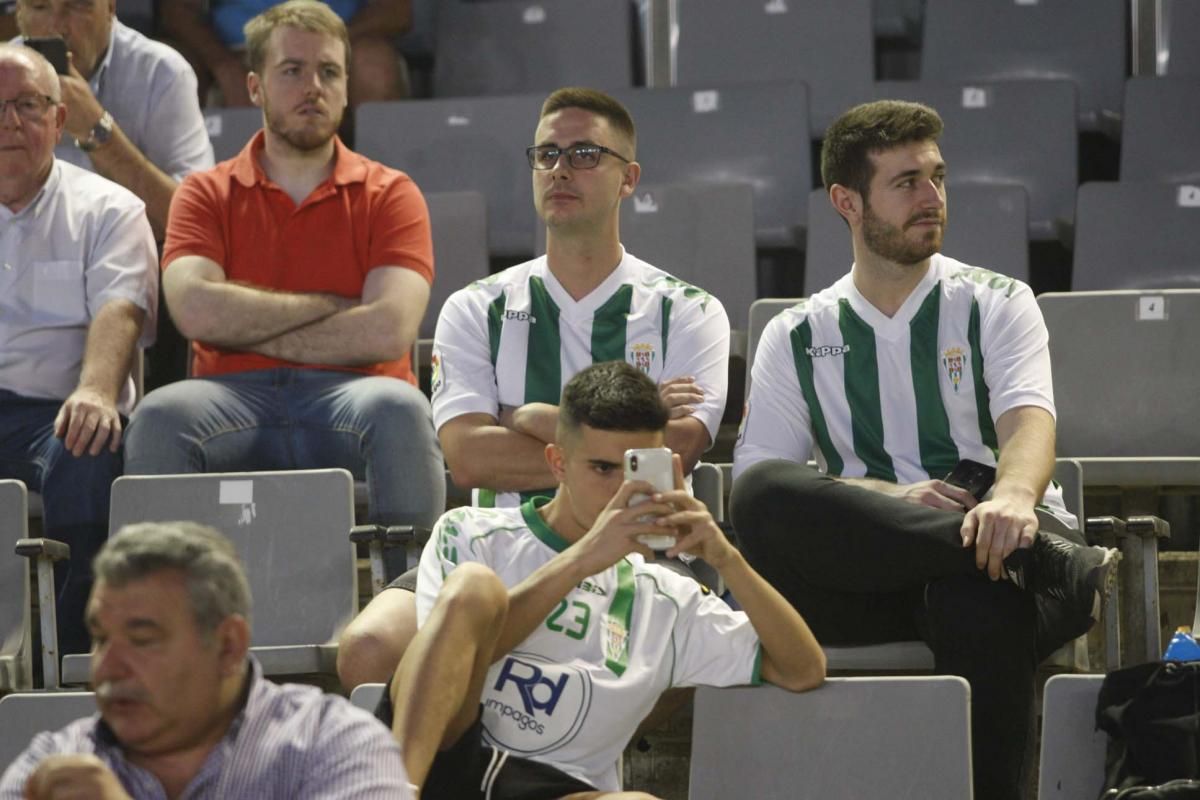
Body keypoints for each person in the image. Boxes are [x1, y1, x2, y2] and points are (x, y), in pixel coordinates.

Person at [730, 99, 1117, 800]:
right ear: (847, 201)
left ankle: (1016, 552)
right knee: (755, 493)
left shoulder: (997, 301)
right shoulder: (795, 332)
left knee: (981, 596)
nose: (932, 198)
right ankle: (1045, 563)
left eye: (938, 178)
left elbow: (1029, 425)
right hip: (873, 570)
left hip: (999, 550)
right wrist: (888, 495)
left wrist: (1011, 498)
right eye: (906, 182)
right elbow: (768, 482)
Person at [335, 86, 730, 690]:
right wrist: (611, 451)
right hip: (492, 550)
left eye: (584, 154)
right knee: (366, 648)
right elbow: (468, 457)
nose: (560, 169)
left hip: (636, 552)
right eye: (546, 155)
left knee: (660, 658)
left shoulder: (691, 310)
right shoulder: (474, 307)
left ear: (629, 179)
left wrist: (528, 415)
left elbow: (671, 455)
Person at [376, 361, 824, 798]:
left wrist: (726, 558)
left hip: (554, 786)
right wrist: (583, 559)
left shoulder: (670, 599)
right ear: (558, 463)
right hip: (445, 760)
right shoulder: (471, 532)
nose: (619, 489)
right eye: (603, 468)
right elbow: (451, 658)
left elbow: (801, 668)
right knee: (475, 587)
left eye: (634, 469)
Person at [123, 0, 444, 543]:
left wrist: (247, 324)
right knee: (159, 417)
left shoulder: (392, 193)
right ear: (254, 88)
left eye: (329, 72)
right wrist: (334, 308)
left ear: (346, 89)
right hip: (230, 398)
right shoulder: (204, 193)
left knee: (403, 410)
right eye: (292, 71)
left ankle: (407, 599)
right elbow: (197, 312)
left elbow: (389, 330)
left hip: (356, 396)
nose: (312, 87)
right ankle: (172, 612)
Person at [0, 521, 414, 799]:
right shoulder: (55, 765)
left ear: (229, 645)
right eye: (100, 638)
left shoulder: (332, 745)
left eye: (142, 639)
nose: (107, 667)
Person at [0, 43, 157, 657]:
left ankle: (71, 661)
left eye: (27, 105)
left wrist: (95, 389)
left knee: (90, 449)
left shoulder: (109, 209)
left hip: (58, 413)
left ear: (60, 121)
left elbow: (120, 310)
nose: (10, 122)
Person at [12, 0, 214, 239]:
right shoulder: (5, 75)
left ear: (110, 8)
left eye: (76, 6)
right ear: (19, 14)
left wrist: (97, 130)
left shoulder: (161, 73)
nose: (57, 27)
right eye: (39, 8)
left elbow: (197, 222)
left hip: (127, 252)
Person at [160, 0, 409, 107]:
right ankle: (188, 206)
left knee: (374, 66)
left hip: (340, 41)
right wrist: (224, 66)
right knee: (169, 68)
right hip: (236, 51)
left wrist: (327, 42)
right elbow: (176, 11)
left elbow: (397, 11)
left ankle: (379, 202)